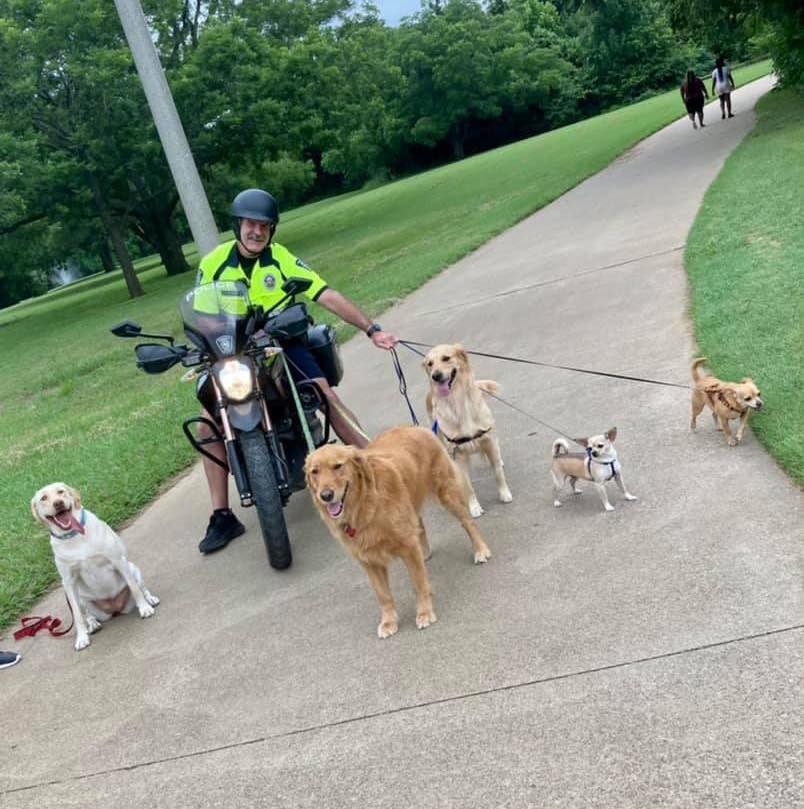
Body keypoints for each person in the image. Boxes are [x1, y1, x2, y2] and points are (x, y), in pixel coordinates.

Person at [194, 188, 398, 554]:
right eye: (250, 224)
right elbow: (202, 314)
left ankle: (379, 467)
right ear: (237, 225)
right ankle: (221, 514)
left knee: (325, 394)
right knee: (207, 421)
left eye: (264, 226)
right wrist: (202, 341)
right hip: (233, 350)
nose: (256, 231)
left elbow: (324, 293)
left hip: (281, 341)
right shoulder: (214, 263)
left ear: (271, 230)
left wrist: (372, 329)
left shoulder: (281, 259)